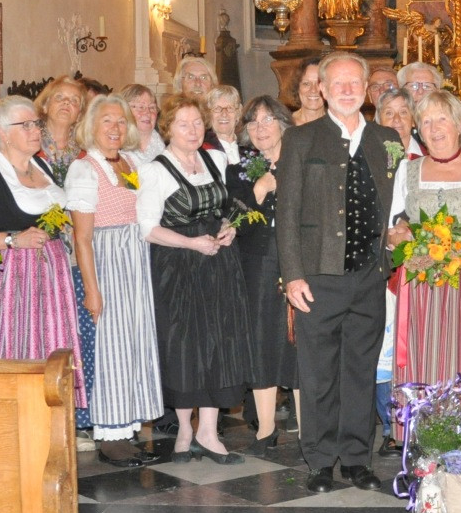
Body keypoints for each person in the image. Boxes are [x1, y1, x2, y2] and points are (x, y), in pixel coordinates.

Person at [277, 52, 399, 494]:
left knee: (360, 372)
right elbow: (286, 213)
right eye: (338, 83)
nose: (347, 90)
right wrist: (293, 276)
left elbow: (398, 204)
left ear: (366, 90)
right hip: (318, 277)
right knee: (318, 374)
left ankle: (355, 458)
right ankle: (320, 460)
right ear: (323, 90)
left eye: (355, 83)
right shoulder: (302, 139)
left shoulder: (387, 139)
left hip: (369, 275)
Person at [138, 94, 251, 464]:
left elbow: (225, 208)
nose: (191, 130)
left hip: (218, 263)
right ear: (167, 128)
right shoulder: (154, 169)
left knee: (218, 342)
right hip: (178, 266)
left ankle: (208, 430)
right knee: (185, 347)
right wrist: (190, 242)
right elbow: (148, 228)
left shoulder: (215, 158)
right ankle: (185, 430)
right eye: (183, 123)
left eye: (197, 123)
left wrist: (228, 228)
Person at [386, 89, 461, 394]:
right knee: (423, 353)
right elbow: (391, 227)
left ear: (458, 124)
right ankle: (424, 432)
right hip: (420, 280)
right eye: (426, 121)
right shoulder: (407, 169)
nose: (435, 128)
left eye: (442, 119)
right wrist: (396, 236)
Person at [67, 95, 163, 468]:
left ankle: (128, 426)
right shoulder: (84, 169)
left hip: (135, 258)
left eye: (121, 122)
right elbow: (82, 237)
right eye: (107, 121)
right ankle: (110, 434)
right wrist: (92, 289)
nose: (114, 128)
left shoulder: (132, 161)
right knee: (111, 347)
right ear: (92, 125)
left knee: (134, 343)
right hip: (106, 260)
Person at [0, 96, 83, 369]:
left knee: (51, 357)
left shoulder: (43, 167)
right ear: (3, 133)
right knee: (14, 358)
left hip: (51, 282)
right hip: (10, 285)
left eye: (36, 124)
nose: (36, 130)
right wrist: (12, 240)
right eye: (25, 125)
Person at [229, 95, 297, 453]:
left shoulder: (301, 161)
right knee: (262, 338)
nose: (260, 128)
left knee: (299, 339)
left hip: (298, 258)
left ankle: (310, 425)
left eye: (268, 119)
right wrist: (261, 187)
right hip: (256, 261)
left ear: (283, 123)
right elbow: (236, 220)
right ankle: (266, 427)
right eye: (253, 122)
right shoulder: (238, 168)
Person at [35, 77, 88, 184]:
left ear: (79, 114)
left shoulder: (87, 151)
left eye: (74, 100)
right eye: (59, 97)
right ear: (45, 106)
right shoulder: (30, 142)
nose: (67, 102)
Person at [122, 82, 165, 164]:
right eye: (141, 107)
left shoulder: (168, 144)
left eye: (152, 107)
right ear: (124, 110)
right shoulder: (115, 147)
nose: (147, 112)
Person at [375, 87, 422, 158]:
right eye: (389, 113)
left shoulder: (427, 157)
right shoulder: (369, 158)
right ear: (379, 122)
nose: (396, 119)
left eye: (403, 112)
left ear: (413, 120)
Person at [204, 85, 243, 161]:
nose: (224, 114)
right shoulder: (202, 151)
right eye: (217, 108)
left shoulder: (249, 149)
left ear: (238, 114)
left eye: (230, 108)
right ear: (209, 114)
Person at [294, 59, 327, 124]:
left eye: (318, 83)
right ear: (297, 87)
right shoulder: (284, 124)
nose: (313, 90)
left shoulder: (339, 125)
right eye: (306, 84)